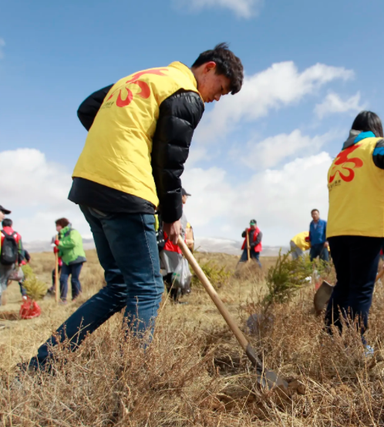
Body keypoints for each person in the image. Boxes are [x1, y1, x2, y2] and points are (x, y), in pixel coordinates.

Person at [24, 43, 244, 372]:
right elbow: (170, 162)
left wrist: (122, 142)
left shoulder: (145, 78)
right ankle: (130, 380)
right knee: (147, 288)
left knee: (120, 288)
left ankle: (41, 365)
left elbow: (88, 109)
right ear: (209, 68)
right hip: (126, 189)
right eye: (221, 89)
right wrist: (172, 215)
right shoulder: (187, 93)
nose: (215, 99)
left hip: (90, 184)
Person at [325, 110, 384, 353]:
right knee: (361, 287)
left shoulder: (339, 157)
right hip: (365, 228)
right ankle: (356, 343)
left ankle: (330, 333)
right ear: (376, 129)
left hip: (338, 229)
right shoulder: (376, 145)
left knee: (345, 284)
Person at [53, 218, 87, 303]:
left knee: (74, 279)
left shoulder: (73, 232)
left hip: (76, 258)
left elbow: (73, 242)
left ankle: (76, 297)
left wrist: (60, 243)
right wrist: (58, 251)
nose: (56, 228)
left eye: (57, 225)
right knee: (62, 279)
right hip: (66, 260)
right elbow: (62, 250)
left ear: (62, 225)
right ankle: (63, 299)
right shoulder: (60, 236)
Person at [1, 215, 23, 306]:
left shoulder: (0, 234)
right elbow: (20, 249)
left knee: (1, 280)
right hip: (12, 262)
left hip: (1, 261)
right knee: (4, 280)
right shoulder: (17, 235)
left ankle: (1, 301)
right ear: (11, 225)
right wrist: (20, 262)